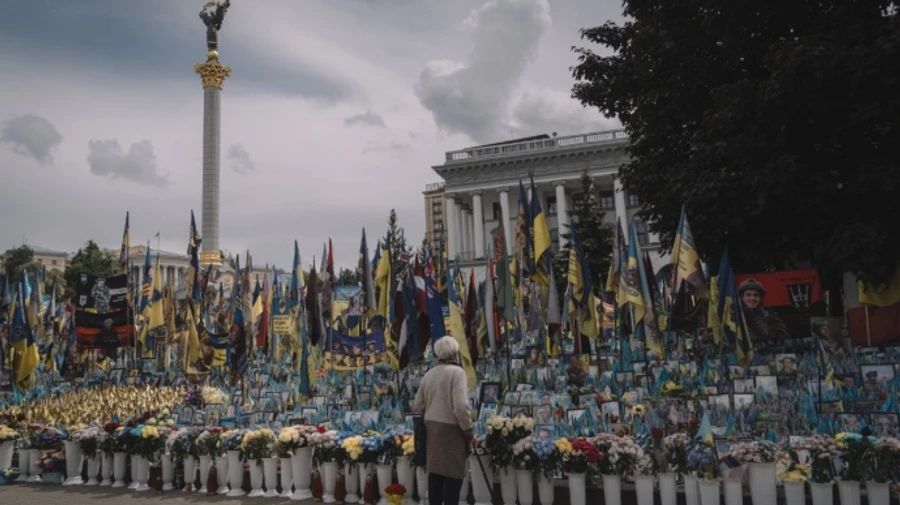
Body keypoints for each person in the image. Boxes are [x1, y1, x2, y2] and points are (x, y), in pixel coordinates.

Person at [413, 336, 473, 505]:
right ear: (455, 353)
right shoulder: (457, 373)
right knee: (453, 480)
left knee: (435, 479)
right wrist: (468, 431)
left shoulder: (429, 374)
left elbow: (417, 405)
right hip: (452, 433)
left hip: (432, 432)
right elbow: (461, 407)